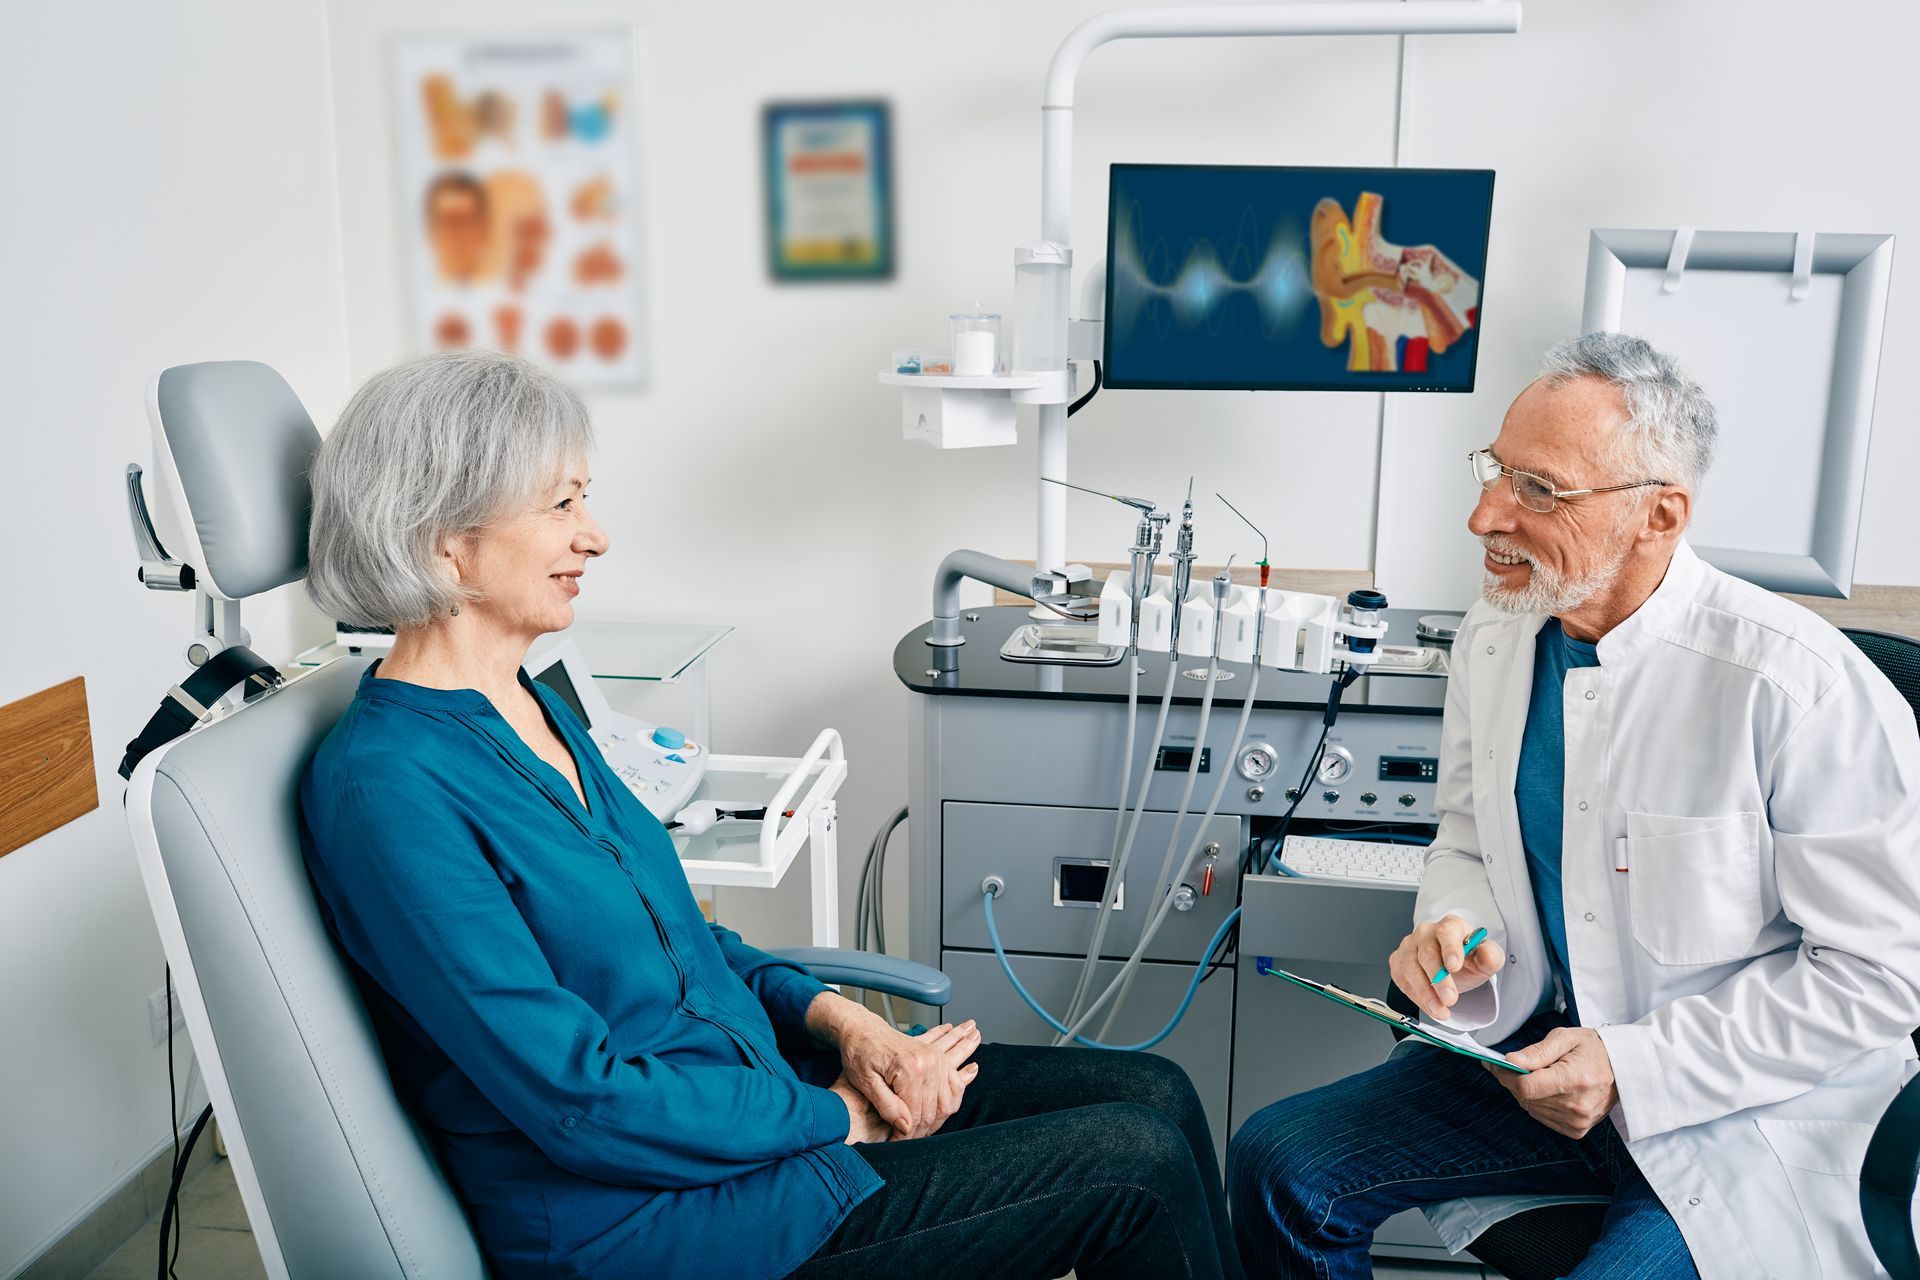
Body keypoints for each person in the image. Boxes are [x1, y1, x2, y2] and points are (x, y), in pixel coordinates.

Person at [299, 349, 1243, 1280]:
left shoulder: (530, 701)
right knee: (1137, 1170)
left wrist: (848, 1027)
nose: (595, 536)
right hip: (660, 1224)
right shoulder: (388, 789)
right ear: (444, 539)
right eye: (562, 504)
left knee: (1154, 1091)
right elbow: (580, 1101)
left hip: (758, 1110)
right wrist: (841, 1115)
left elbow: (687, 944)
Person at [1227, 332, 1920, 1279]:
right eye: (1494, 472)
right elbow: (1468, 833)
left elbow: (1880, 979)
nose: (1482, 515)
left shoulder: (1795, 687)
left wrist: (1634, 1066)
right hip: (1534, 1067)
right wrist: (1454, 928)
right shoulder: (1498, 633)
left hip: (1740, 1106)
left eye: (1537, 490)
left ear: (1659, 514)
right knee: (1280, 1164)